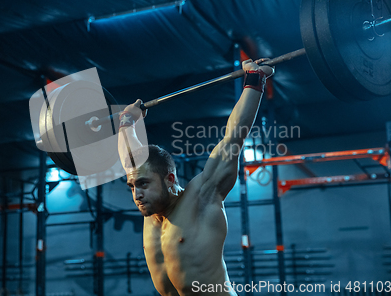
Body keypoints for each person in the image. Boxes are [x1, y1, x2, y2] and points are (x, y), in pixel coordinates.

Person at [117, 59, 274, 296]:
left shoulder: (202, 197)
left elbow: (233, 138)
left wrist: (254, 79)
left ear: (169, 179)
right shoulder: (152, 208)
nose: (136, 194)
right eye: (132, 186)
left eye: (143, 184)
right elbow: (129, 157)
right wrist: (127, 121)